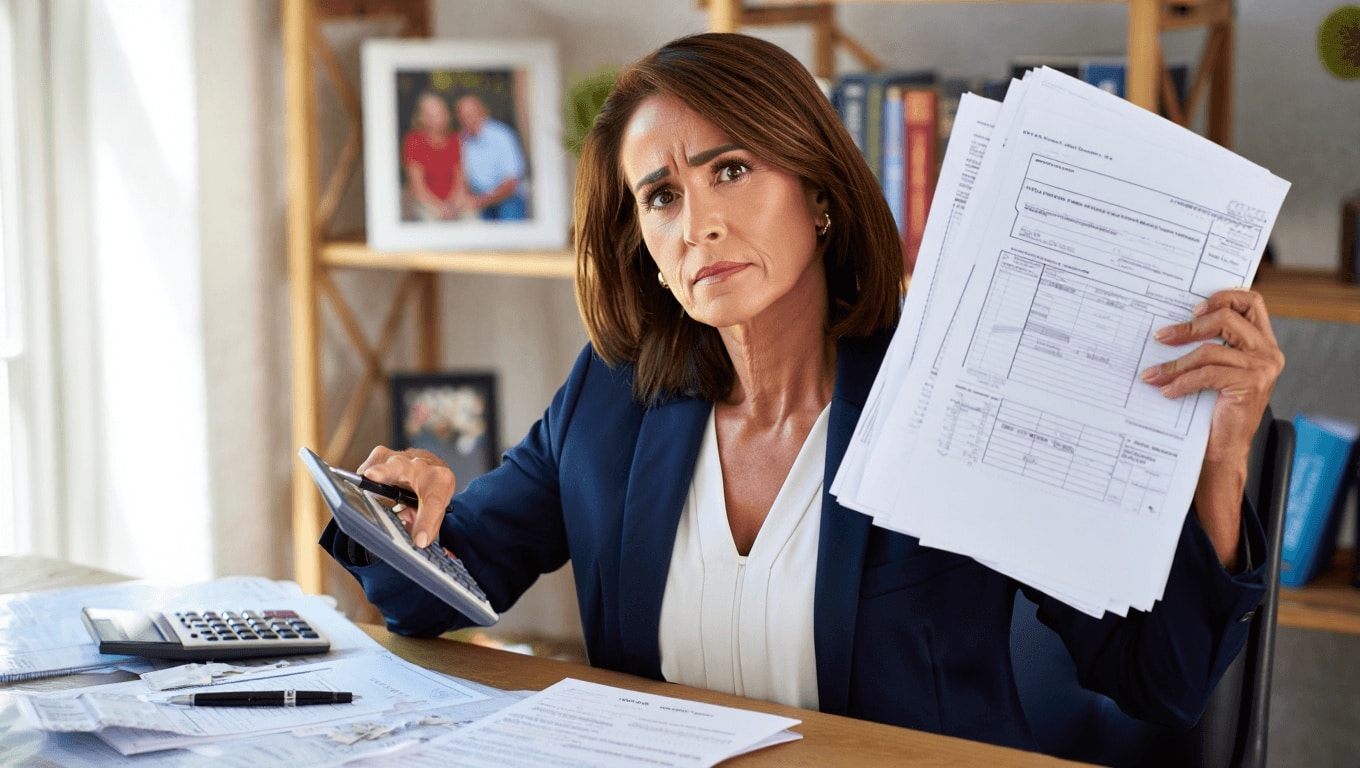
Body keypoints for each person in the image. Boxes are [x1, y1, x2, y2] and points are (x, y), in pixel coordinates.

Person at [322, 33, 1284, 754]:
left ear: (818, 195)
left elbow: (1159, 682)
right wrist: (397, 510)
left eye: (730, 171)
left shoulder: (946, 389)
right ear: (646, 253)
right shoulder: (610, 400)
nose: (698, 223)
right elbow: (441, 590)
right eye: (660, 197)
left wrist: (1223, 454)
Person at [454, 94, 529, 221]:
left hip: (507, 199)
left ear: (482, 112)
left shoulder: (502, 136)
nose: (468, 119)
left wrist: (481, 201)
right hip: (480, 201)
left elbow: (511, 183)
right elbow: (461, 178)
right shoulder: (462, 141)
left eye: (471, 113)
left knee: (508, 232)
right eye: (463, 115)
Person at [401, 90, 470, 221]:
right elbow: (418, 188)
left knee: (472, 221)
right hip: (427, 202)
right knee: (431, 223)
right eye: (430, 114)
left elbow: (460, 180)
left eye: (439, 113)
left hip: (455, 201)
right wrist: (441, 207)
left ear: (447, 114)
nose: (437, 118)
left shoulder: (456, 139)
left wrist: (453, 205)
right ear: (421, 117)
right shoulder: (413, 141)